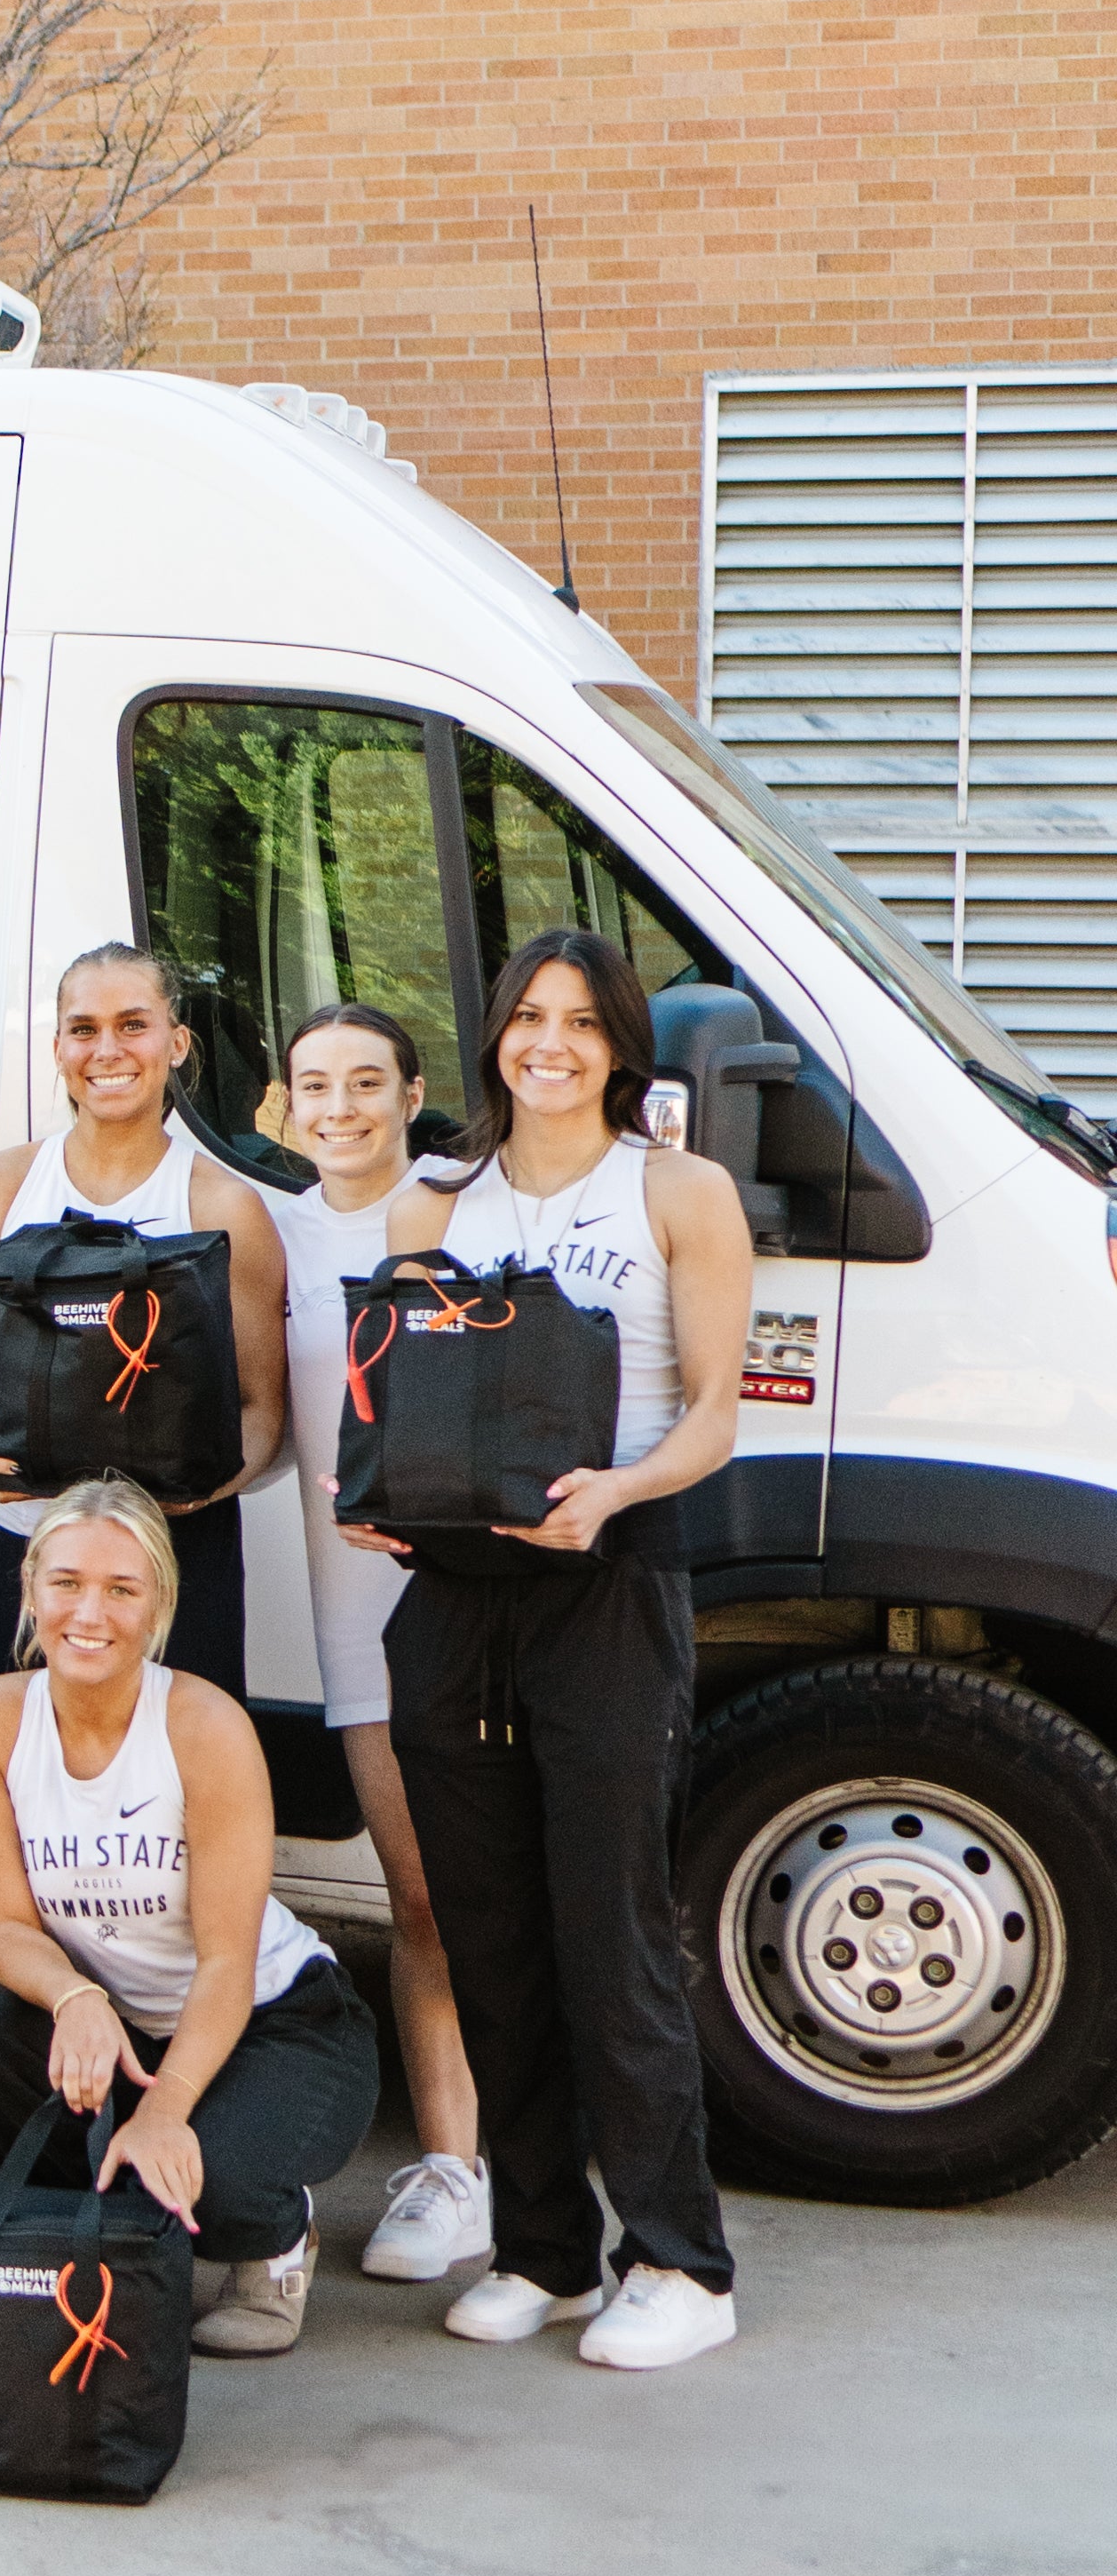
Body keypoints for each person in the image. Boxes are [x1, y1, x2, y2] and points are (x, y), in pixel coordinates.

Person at [375, 927, 752, 2369]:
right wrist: (381, 1499)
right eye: (528, 1017)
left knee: (610, 1930)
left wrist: (620, 1490)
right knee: (490, 1934)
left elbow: (714, 1412)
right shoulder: (432, 1203)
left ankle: (680, 2262)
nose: (550, 1043)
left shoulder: (677, 1191)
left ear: (620, 1047)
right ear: (494, 1037)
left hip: (609, 1580)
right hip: (454, 1598)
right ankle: (542, 2251)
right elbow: (399, 1396)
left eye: (582, 1023)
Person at [0, 1477, 381, 2357]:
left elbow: (226, 1960)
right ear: (29, 1589)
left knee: (208, 2179)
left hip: (273, 2020)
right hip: (121, 2024)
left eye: (121, 1589)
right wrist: (74, 1998)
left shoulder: (203, 1727)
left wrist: (167, 2107)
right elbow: (5, 1930)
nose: (88, 1613)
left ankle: (275, 2236)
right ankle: (103, 2230)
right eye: (65, 1583)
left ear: (159, 1605)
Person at [264, 1002, 490, 2283]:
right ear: (286, 1107)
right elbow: (255, 1420)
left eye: (365, 1082)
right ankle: (453, 2174)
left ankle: (524, 2160)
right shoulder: (271, 1233)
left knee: (507, 1890)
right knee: (418, 1897)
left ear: (412, 1095)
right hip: (356, 1613)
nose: (339, 1107)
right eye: (315, 1085)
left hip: (481, 1594)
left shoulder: (472, 1209)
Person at [0, 942, 287, 1693]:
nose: (108, 1050)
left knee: (180, 1758)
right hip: (26, 1546)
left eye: (133, 1024)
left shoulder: (225, 1207)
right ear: (59, 1047)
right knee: (16, 1752)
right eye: (84, 1029)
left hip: (174, 1555)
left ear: (176, 1043)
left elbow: (260, 1411)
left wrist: (201, 1491)